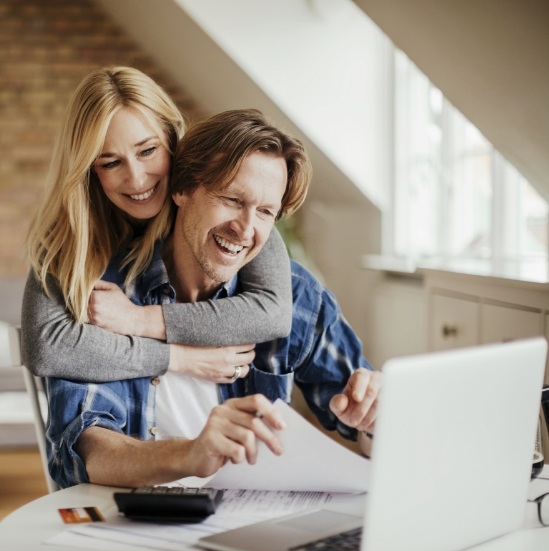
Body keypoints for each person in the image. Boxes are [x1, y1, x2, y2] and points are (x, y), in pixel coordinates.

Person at [45, 109, 380, 489]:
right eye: (232, 200)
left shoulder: (296, 295)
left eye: (265, 212)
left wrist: (373, 419)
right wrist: (189, 454)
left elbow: (362, 423)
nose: (246, 229)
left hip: (252, 522)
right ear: (182, 190)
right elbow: (89, 451)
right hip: (136, 522)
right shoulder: (106, 297)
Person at [21, 66, 294, 385]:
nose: (137, 179)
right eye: (111, 162)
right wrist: (180, 358)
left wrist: (137, 320)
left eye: (147, 151)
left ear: (171, 138)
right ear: (89, 170)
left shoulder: (217, 202)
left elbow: (272, 313)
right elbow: (46, 347)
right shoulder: (70, 233)